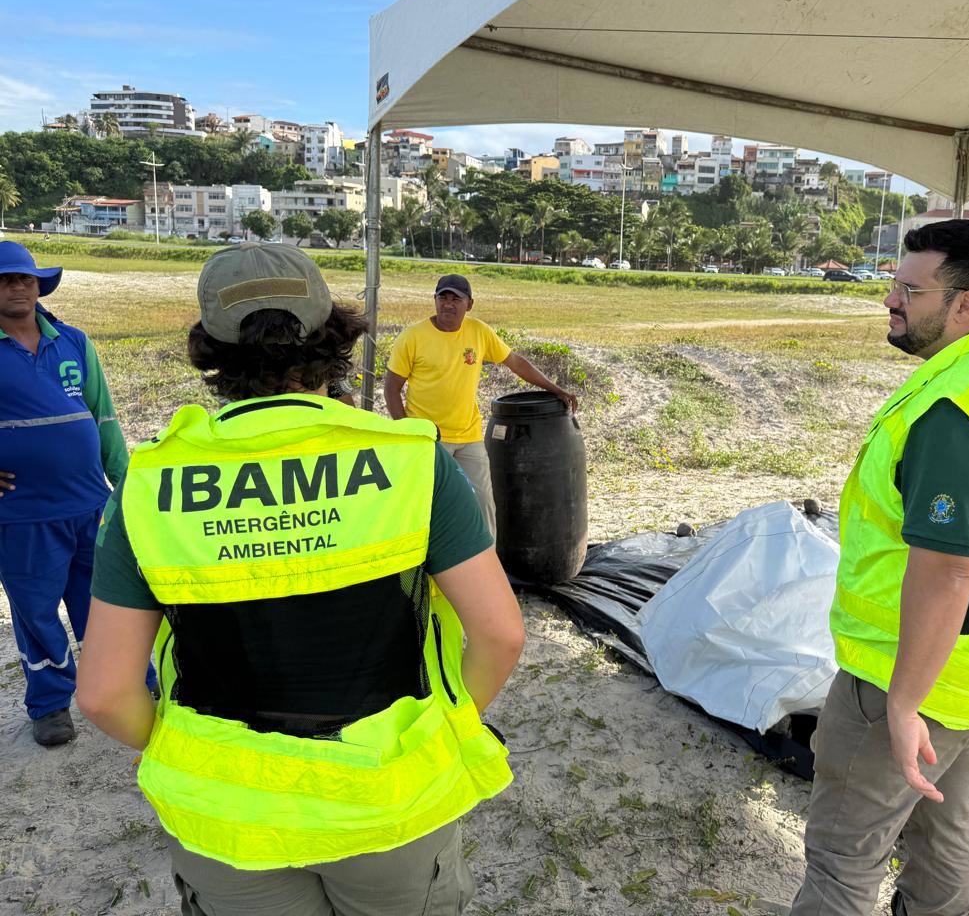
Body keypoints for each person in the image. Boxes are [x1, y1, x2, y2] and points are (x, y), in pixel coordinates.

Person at [76, 243, 525, 915]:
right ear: (332, 337)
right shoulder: (409, 461)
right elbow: (501, 636)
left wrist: (183, 751)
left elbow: (105, 695)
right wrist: (444, 726)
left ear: (212, 351)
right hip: (390, 804)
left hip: (228, 822)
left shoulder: (147, 487)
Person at [791, 220, 969, 916]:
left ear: (965, 306)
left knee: (842, 858)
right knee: (942, 835)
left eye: (911, 291)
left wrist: (902, 703)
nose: (890, 301)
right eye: (894, 285)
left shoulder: (955, 414)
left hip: (913, 673)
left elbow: (948, 571)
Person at [0, 240, 141, 747]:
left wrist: (126, 486)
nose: (17, 287)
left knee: (106, 602)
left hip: (89, 505)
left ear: (38, 285)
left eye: (25, 278)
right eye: (5, 280)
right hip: (23, 513)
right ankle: (50, 704)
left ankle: (131, 685)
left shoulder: (74, 342)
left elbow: (104, 417)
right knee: (37, 611)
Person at [383, 274, 579, 537]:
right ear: (435, 300)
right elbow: (391, 388)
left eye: (456, 299)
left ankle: (488, 557)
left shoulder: (479, 332)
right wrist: (409, 432)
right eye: (443, 297)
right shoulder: (412, 337)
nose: (448, 304)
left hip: (469, 436)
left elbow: (515, 363)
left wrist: (555, 389)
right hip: (429, 439)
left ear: (470, 304)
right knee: (429, 506)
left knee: (483, 502)